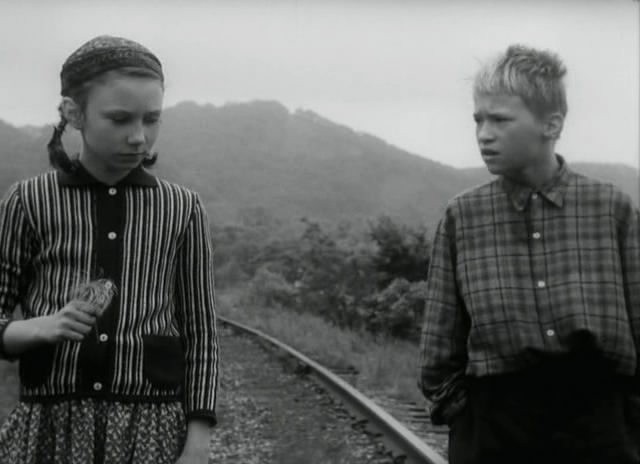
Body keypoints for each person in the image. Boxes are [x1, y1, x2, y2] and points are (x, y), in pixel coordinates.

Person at [0, 35, 219, 464]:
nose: (139, 137)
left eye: (151, 120)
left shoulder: (182, 208)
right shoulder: (29, 201)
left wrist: (198, 440)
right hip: (50, 428)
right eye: (119, 119)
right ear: (73, 113)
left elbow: (201, 332)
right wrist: (40, 327)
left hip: (152, 431)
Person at [418, 44, 640, 464]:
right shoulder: (463, 215)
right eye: (478, 120)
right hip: (496, 426)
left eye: (500, 120)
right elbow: (439, 342)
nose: (484, 134)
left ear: (551, 124)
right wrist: (463, 416)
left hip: (599, 424)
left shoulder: (611, 208)